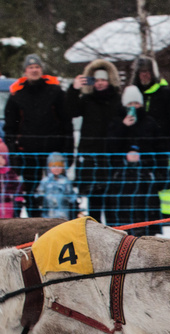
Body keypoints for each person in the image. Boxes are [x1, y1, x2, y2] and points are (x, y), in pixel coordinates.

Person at [4, 53, 73, 217]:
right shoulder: (17, 95)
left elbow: (66, 122)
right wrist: (13, 151)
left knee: (58, 191)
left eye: (37, 67)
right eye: (30, 67)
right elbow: (10, 127)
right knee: (31, 191)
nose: (34, 70)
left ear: (42, 70)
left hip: (53, 152)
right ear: (25, 71)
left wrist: (68, 151)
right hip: (28, 152)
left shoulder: (55, 91)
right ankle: (33, 224)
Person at [67, 59, 123, 223]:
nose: (100, 83)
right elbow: (71, 110)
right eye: (97, 80)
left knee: (113, 199)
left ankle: (115, 235)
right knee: (94, 198)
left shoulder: (117, 99)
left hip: (112, 154)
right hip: (91, 155)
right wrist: (74, 88)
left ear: (109, 80)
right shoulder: (87, 99)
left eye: (103, 80)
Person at [106, 85, 167, 231]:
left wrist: (159, 172)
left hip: (145, 176)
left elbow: (159, 148)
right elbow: (110, 146)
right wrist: (123, 127)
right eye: (130, 104)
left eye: (136, 103)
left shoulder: (150, 122)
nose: (133, 107)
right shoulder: (116, 122)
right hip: (122, 177)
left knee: (145, 214)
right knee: (122, 215)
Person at [129, 56, 170, 148]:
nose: (144, 74)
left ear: (153, 73)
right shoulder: (132, 93)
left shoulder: (166, 93)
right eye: (141, 71)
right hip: (137, 146)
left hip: (161, 144)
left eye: (148, 71)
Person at [36, 152, 79, 220]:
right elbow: (39, 193)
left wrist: (73, 202)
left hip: (63, 214)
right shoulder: (45, 181)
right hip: (48, 214)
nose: (56, 168)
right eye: (53, 166)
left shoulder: (65, 181)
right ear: (49, 167)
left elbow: (71, 196)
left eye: (59, 166)